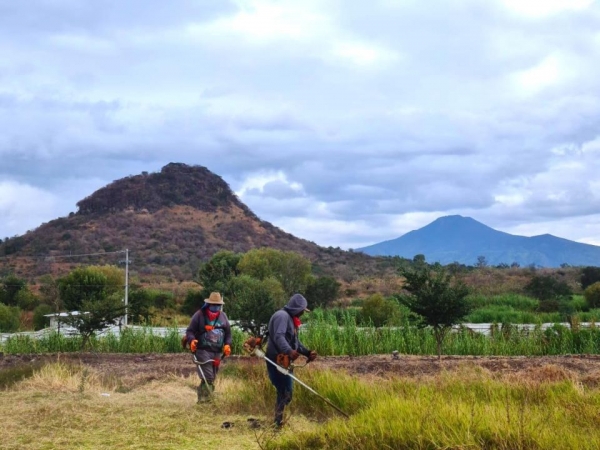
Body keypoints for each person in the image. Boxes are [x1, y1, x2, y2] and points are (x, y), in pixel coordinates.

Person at [266, 293, 317, 427]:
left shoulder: (290, 319)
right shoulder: (282, 316)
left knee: (286, 392)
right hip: (276, 359)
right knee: (285, 392)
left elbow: (295, 343)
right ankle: (277, 422)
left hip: (285, 360)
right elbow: (279, 337)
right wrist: (289, 351)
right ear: (297, 308)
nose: (302, 313)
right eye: (302, 310)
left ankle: (278, 420)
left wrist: (307, 353)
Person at [185, 292, 232, 403]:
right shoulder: (199, 315)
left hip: (217, 352)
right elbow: (190, 331)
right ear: (208, 304)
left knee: (211, 377)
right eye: (213, 305)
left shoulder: (223, 316)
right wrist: (192, 340)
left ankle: (202, 399)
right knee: (208, 377)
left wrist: (227, 345)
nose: (215, 307)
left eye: (218, 305)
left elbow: (228, 334)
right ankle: (207, 401)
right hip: (202, 350)